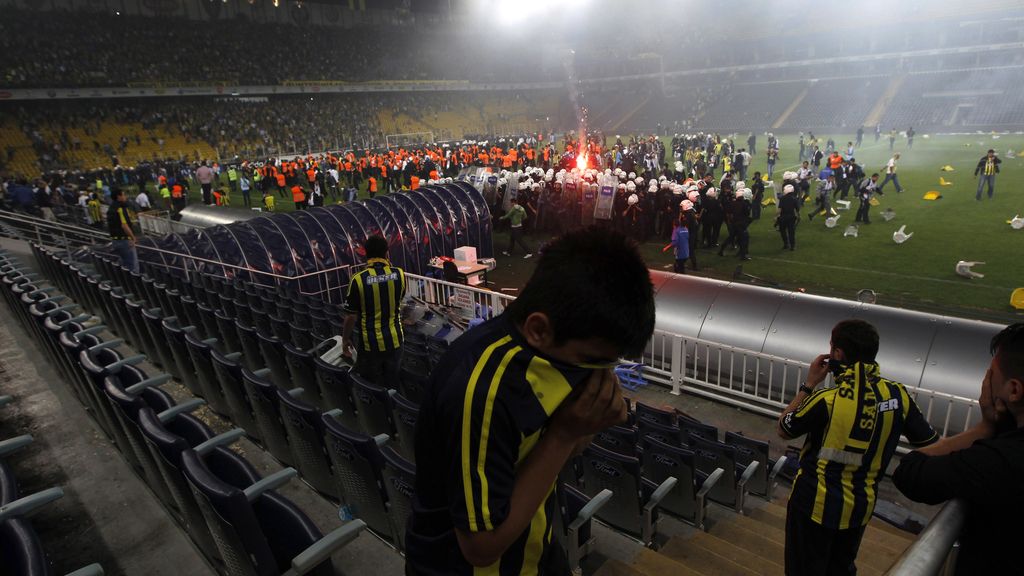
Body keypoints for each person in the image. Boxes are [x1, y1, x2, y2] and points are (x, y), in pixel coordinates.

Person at [404, 227, 656, 575]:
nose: (599, 373)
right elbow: (480, 547)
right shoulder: (482, 391)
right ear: (539, 329)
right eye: (591, 358)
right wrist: (564, 435)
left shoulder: (548, 356)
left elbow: (549, 456)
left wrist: (588, 425)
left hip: (533, 548)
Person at [777, 319, 938, 576]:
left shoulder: (826, 400)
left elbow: (784, 428)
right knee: (841, 569)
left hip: (813, 505)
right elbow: (930, 443)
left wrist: (809, 385)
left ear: (837, 354)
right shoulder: (897, 395)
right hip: (860, 508)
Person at [892, 323, 1024, 575]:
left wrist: (985, 427)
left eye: (991, 376)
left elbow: (909, 473)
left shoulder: (999, 461)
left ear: (1014, 389)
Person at [341, 235, 406, 385]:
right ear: (387, 253)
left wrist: (345, 339)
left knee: (373, 385)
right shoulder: (399, 274)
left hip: (370, 344)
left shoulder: (358, 279)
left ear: (366, 254)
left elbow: (351, 316)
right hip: (395, 340)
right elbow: (399, 300)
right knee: (392, 382)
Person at [106, 187, 138, 273]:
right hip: (125, 241)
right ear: (118, 196)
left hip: (115, 241)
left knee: (124, 266)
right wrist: (133, 237)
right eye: (123, 195)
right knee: (133, 267)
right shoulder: (121, 209)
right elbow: (124, 225)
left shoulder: (111, 208)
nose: (125, 197)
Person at [777, 184, 799, 251]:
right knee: (791, 232)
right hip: (791, 217)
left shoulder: (782, 198)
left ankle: (786, 244)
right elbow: (797, 209)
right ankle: (792, 246)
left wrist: (776, 216)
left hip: (783, 217)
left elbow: (779, 210)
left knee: (783, 231)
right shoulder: (794, 198)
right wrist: (798, 216)